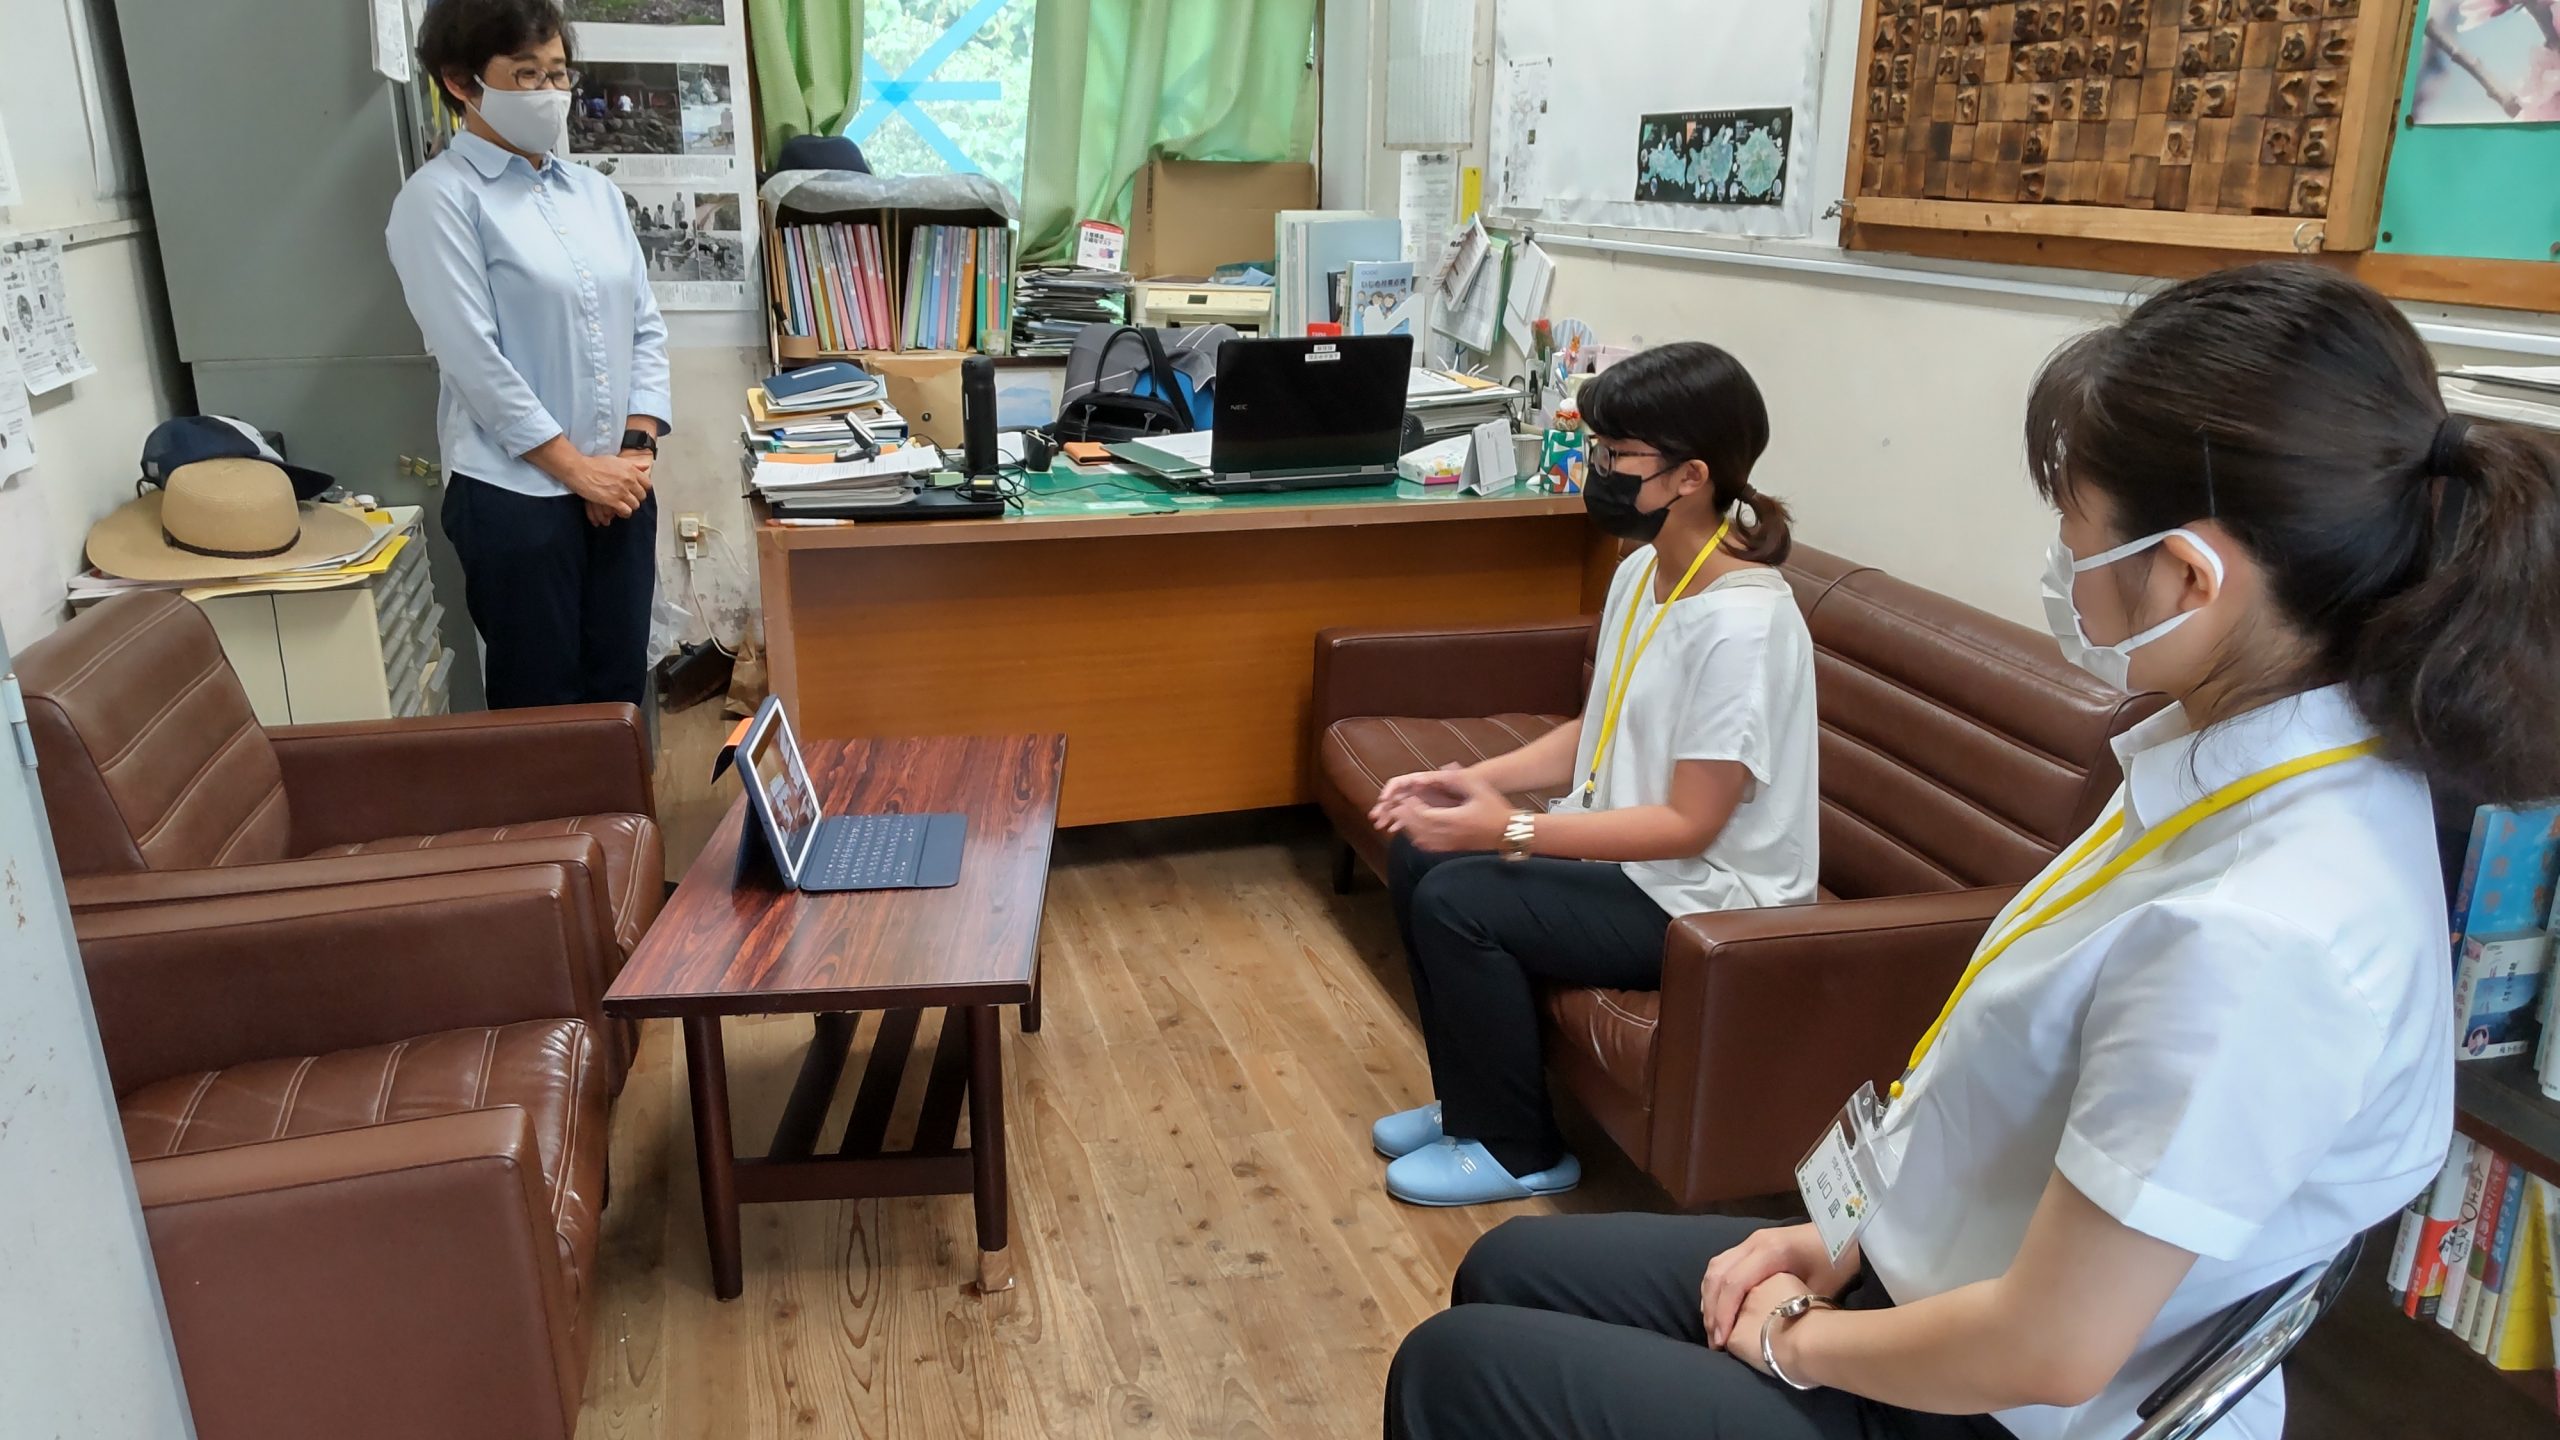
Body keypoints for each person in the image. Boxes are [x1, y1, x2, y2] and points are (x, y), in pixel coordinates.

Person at [1383, 262, 2560, 1439]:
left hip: (1986, 1403)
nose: (2061, 565)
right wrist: (1836, 1235)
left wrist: (1793, 1338)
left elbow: (2048, 1350)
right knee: (1506, 1272)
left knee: (1456, 1369)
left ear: (2188, 576)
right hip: (1923, 1265)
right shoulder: (2221, 759)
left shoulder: (2265, 930)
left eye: (2073, 531)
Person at [1366, 341, 1821, 1208]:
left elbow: (1690, 824)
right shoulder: (1644, 571)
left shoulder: (1746, 629)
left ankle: (1520, 1149)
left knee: (1462, 902)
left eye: (1616, 454)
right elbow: (1602, 725)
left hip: (1709, 899)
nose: (1597, 468)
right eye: (1597, 446)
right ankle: (1471, 1106)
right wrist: (1476, 781)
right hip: (1637, 865)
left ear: (1691, 476)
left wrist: (1510, 828)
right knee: (1422, 853)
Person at [388, 0, 671, 708]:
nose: (549, 93)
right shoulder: (440, 199)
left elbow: (644, 327)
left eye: (558, 73)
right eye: (525, 75)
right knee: (542, 708)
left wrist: (633, 454)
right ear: (461, 82)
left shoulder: (596, 195)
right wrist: (578, 472)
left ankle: (622, 802)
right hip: (517, 500)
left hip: (620, 489)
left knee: (619, 696)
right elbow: (473, 360)